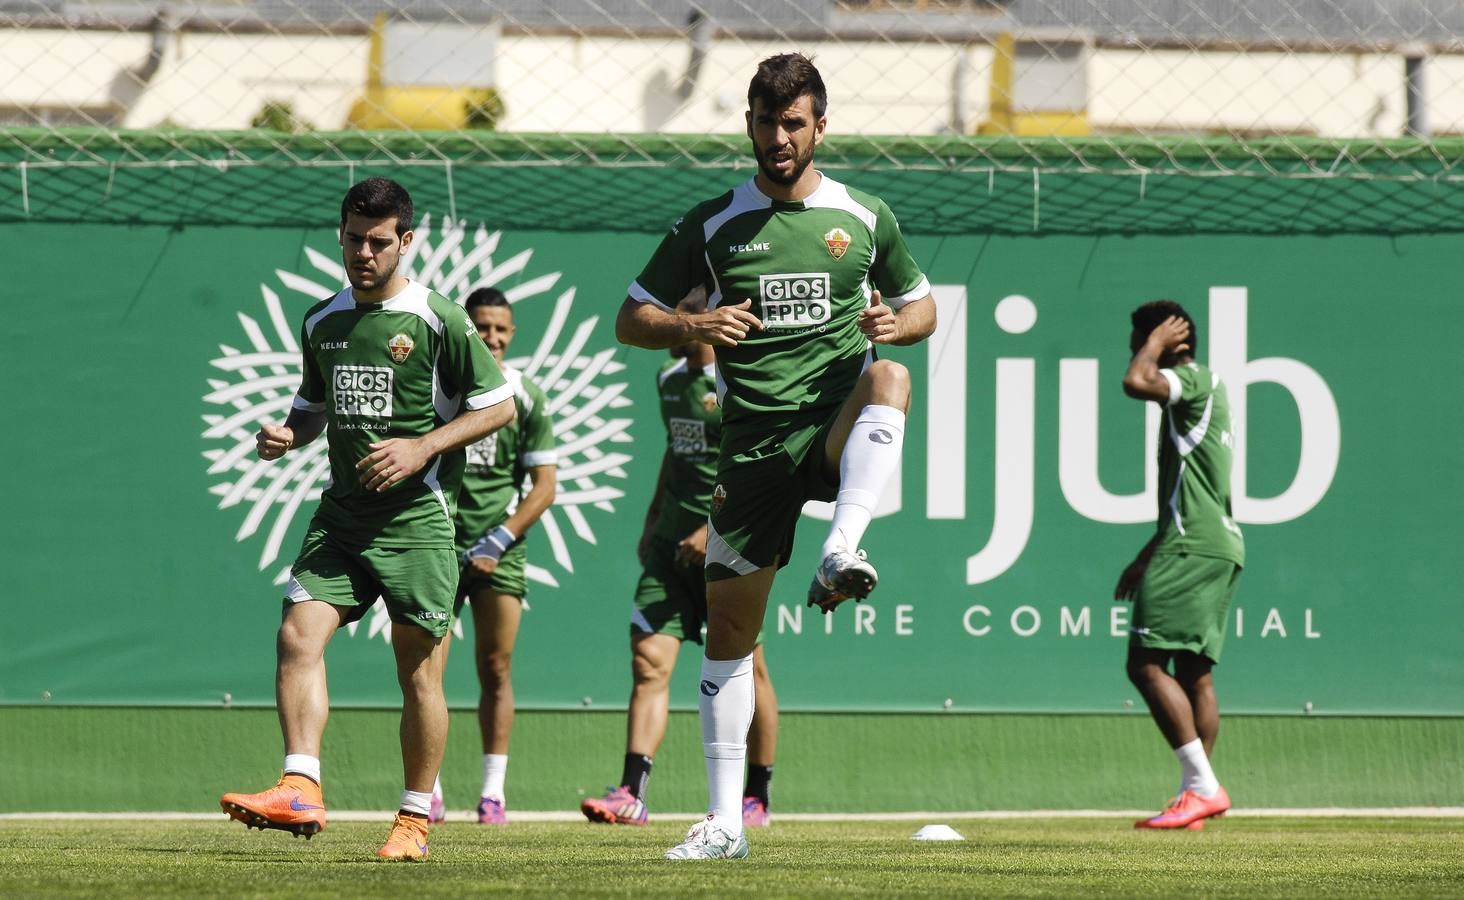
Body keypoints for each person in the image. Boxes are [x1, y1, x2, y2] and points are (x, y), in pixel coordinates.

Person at [614, 53, 935, 860]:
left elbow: (920, 303)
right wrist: (694, 326)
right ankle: (725, 824)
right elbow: (631, 317)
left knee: (890, 377)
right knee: (729, 636)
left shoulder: (862, 216)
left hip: (829, 425)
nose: (780, 136)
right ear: (749, 124)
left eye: (795, 122)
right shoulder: (713, 223)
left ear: (821, 126)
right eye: (767, 121)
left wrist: (898, 325)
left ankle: (841, 547)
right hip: (751, 451)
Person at [220, 177, 515, 861]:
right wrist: (288, 435)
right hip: (344, 516)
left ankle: (414, 819)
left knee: (417, 671)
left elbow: (498, 405)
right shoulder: (322, 321)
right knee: (297, 635)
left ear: (406, 242)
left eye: (379, 241)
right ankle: (301, 783)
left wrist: (423, 446)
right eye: (353, 238)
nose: (363, 252)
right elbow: (310, 407)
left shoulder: (437, 317)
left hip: (417, 519)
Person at [581, 300, 778, 830]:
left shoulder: (740, 376)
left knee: (750, 670)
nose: (663, 321)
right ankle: (632, 793)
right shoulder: (668, 379)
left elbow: (756, 464)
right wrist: (652, 519)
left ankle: (756, 796)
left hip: (730, 544)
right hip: (669, 547)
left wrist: (710, 530)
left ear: (703, 316)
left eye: (675, 312)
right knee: (648, 662)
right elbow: (675, 452)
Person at [429, 287, 559, 825]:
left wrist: (498, 540)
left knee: (495, 667)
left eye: (502, 329)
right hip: (434, 544)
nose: (493, 337)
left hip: (498, 552)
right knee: (424, 667)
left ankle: (492, 794)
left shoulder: (525, 395)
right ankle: (427, 791)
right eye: (482, 327)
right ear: (467, 329)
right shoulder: (438, 389)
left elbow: (544, 486)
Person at [1115, 300, 1244, 831]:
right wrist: (1149, 552)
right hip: (1211, 542)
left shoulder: (1190, 381)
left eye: (1136, 336)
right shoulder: (1206, 390)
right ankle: (1197, 797)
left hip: (1192, 545)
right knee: (1194, 673)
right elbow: (1194, 490)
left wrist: (1155, 344)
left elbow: (1134, 381)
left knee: (1144, 665)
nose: (1132, 347)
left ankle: (1202, 788)